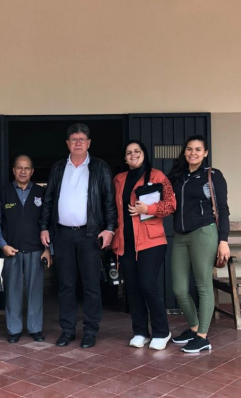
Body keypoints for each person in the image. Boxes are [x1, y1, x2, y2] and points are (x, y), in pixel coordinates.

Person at [39, 123, 117, 349]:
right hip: (62, 235)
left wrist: (110, 228)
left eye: (83, 139)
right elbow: (48, 200)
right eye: (74, 140)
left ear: (89, 143)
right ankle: (67, 329)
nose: (78, 143)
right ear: (68, 144)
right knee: (65, 284)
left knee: (91, 284)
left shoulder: (100, 168)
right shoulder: (58, 168)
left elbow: (108, 202)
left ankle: (90, 330)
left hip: (90, 235)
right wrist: (44, 227)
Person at [168, 135, 230, 353]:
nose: (192, 153)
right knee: (179, 288)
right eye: (189, 149)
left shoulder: (212, 176)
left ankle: (203, 337)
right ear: (184, 152)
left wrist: (223, 240)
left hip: (204, 232)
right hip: (180, 235)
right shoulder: (178, 176)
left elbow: (223, 209)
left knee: (203, 285)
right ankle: (194, 328)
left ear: (205, 153)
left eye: (197, 149)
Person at [112, 140, 175, 350]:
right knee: (132, 288)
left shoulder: (157, 176)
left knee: (147, 284)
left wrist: (147, 208)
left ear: (144, 154)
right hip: (126, 243)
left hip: (151, 241)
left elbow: (171, 204)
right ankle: (140, 331)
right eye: (129, 152)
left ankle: (162, 331)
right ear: (124, 157)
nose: (133, 155)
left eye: (137, 151)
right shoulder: (119, 180)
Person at [0, 155, 51, 343]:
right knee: (13, 291)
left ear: (32, 171)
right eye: (19, 168)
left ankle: (35, 329)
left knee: (35, 291)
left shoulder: (41, 192)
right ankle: (14, 329)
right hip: (12, 250)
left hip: (36, 249)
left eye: (26, 168)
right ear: (13, 170)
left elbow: (48, 222)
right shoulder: (4, 192)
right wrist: (2, 244)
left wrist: (47, 249)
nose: (23, 171)